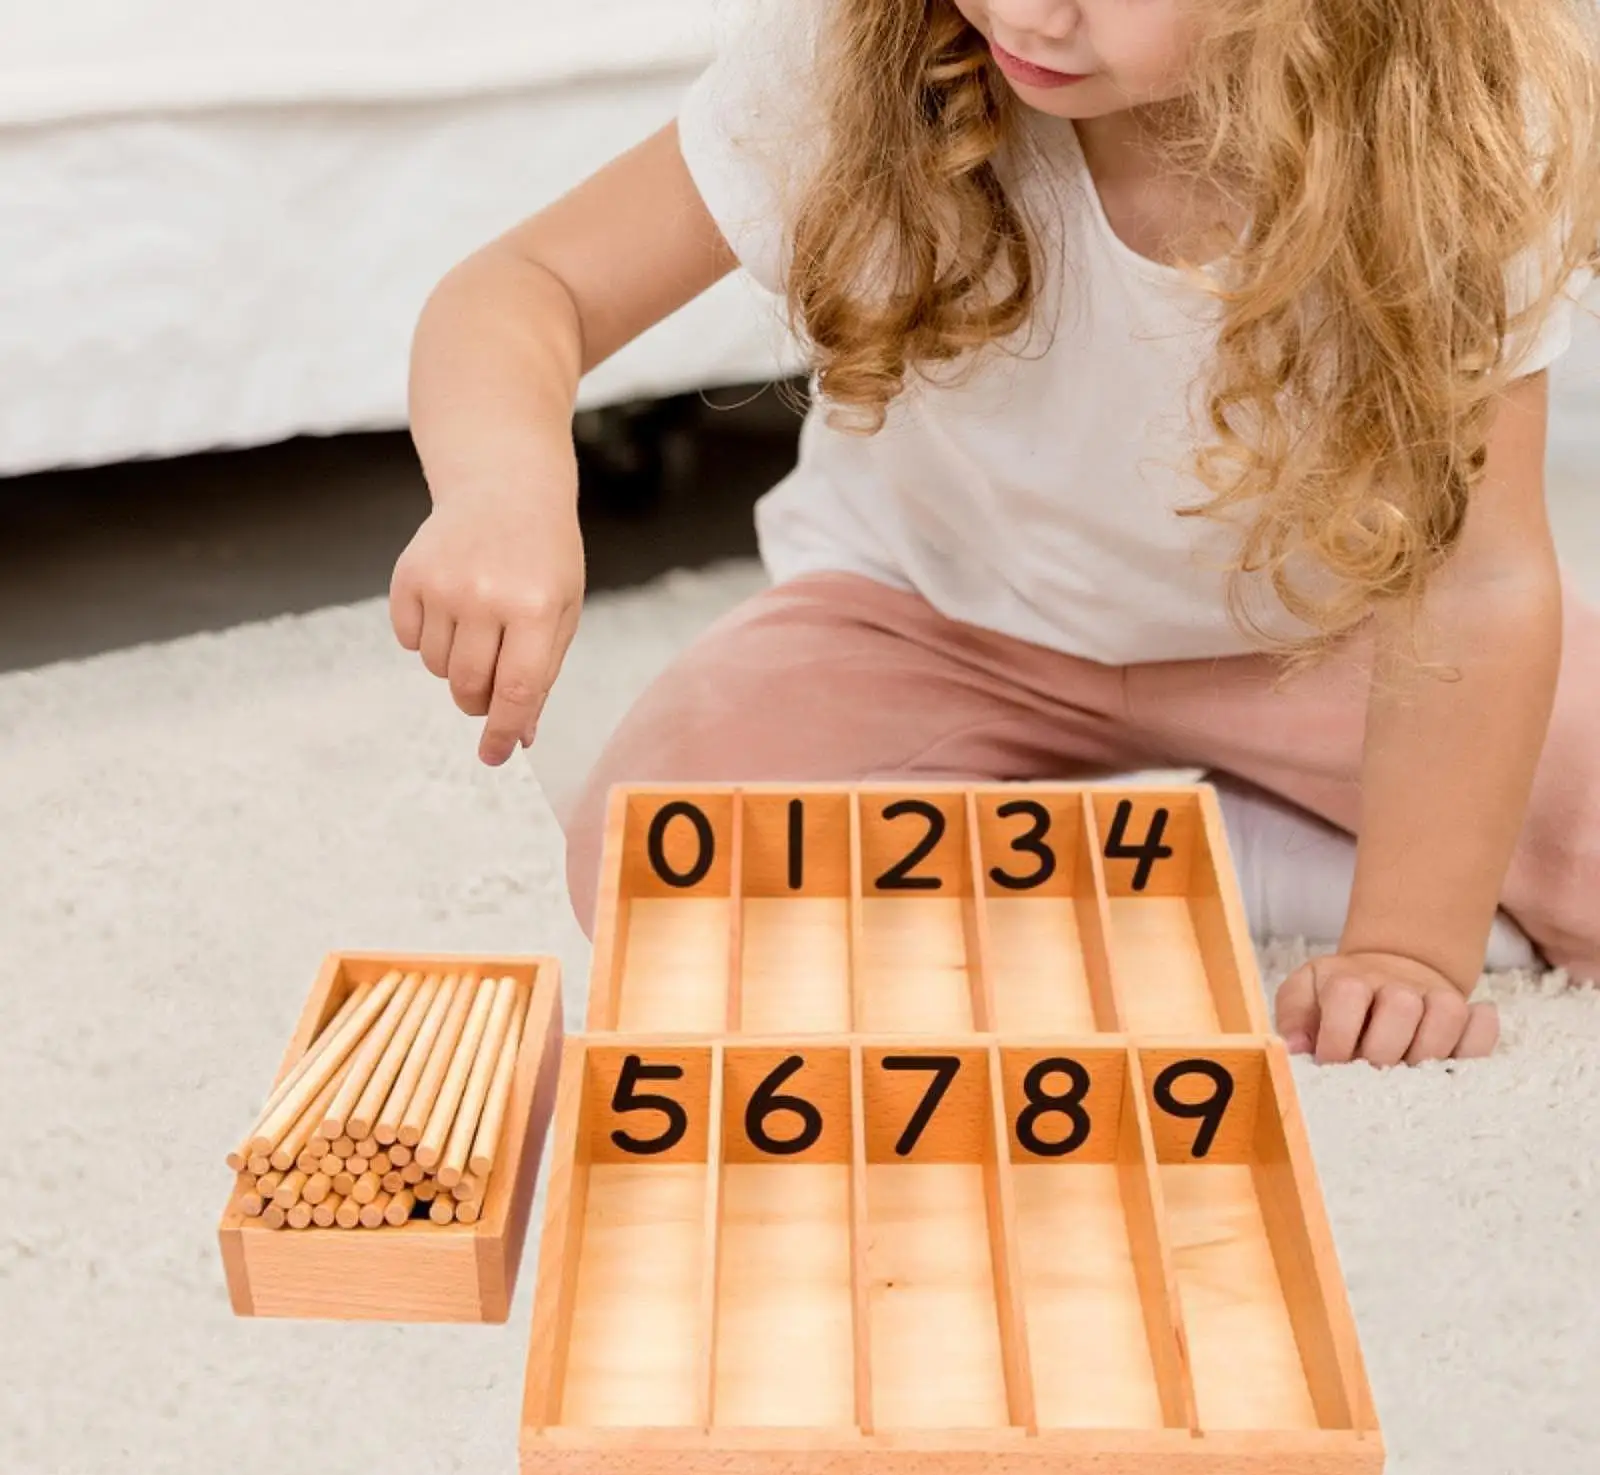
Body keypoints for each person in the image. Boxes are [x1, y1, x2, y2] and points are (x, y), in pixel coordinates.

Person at [394, 0, 1600, 1066]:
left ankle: (1204, 849)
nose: (1024, 13)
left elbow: (1476, 586)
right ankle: (1169, 852)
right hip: (934, 621)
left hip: (1324, 642)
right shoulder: (862, 49)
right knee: (653, 863)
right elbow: (528, 286)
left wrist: (1404, 950)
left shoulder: (1468, 125)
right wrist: (504, 490)